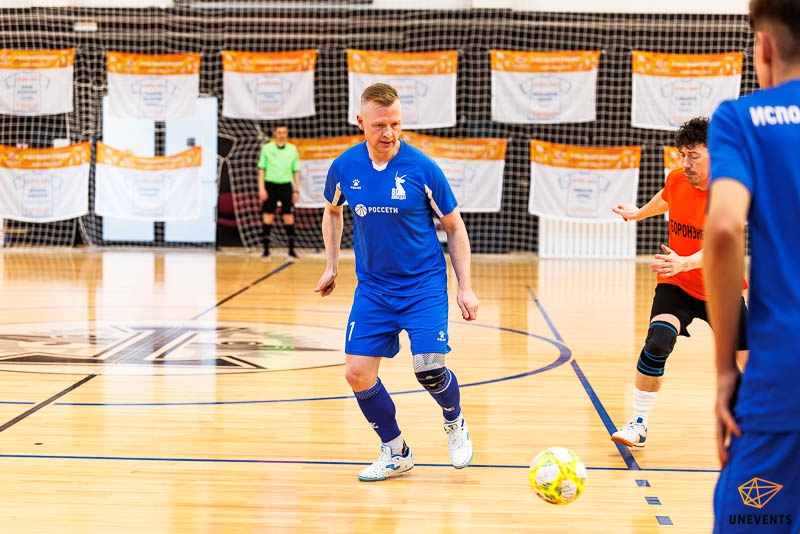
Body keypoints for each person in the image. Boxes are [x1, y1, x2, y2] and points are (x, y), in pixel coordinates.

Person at [314, 83, 479, 482]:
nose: (388, 133)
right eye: (379, 125)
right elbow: (333, 211)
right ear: (361, 122)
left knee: (429, 369)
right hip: (373, 289)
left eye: (395, 124)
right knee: (357, 373)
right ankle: (395, 450)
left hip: (423, 285)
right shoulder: (345, 167)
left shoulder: (423, 168)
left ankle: (454, 421)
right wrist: (332, 265)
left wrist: (466, 286)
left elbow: (454, 226)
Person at [705, 0, 800, 529]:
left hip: (784, 376)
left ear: (763, 46)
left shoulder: (742, 119)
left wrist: (725, 368)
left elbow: (723, 228)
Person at [609, 117, 748, 449]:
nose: (686, 163)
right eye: (683, 155)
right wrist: (638, 213)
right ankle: (638, 423)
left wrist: (684, 261)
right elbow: (666, 195)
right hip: (678, 285)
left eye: (694, 156)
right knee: (658, 342)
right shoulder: (677, 178)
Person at [257, 124, 301, 258]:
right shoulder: (267, 148)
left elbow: (296, 171)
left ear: (287, 134)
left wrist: (296, 190)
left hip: (286, 186)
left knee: (288, 217)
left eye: (284, 132)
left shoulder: (292, 149)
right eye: (279, 132)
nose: (281, 135)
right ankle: (266, 251)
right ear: (275, 134)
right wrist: (261, 189)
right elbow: (261, 169)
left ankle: (291, 251)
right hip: (270, 186)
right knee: (268, 217)